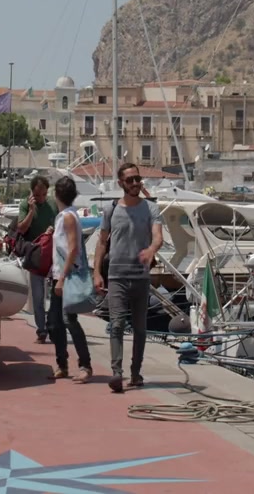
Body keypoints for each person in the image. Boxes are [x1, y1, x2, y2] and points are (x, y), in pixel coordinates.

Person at [93, 163, 162, 393]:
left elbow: (158, 236)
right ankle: (116, 373)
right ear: (120, 183)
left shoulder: (151, 208)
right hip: (117, 277)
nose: (135, 183)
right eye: (130, 180)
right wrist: (96, 273)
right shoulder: (111, 210)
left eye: (137, 179)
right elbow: (101, 243)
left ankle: (135, 373)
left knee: (140, 329)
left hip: (141, 278)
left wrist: (152, 249)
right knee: (117, 324)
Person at [47, 176, 93, 382]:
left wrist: (62, 278)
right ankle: (62, 364)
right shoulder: (64, 217)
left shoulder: (68, 217)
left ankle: (85, 365)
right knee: (54, 323)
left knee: (68, 321)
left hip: (67, 277)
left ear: (56, 194)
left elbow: (73, 249)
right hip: (59, 275)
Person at [16, 175, 57, 344]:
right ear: (32, 193)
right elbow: (21, 228)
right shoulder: (25, 205)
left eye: (44, 194)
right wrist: (31, 211)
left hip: (53, 255)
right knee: (38, 296)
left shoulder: (53, 204)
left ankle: (52, 326)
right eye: (37, 195)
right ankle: (41, 330)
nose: (41, 198)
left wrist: (53, 229)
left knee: (55, 296)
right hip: (35, 255)